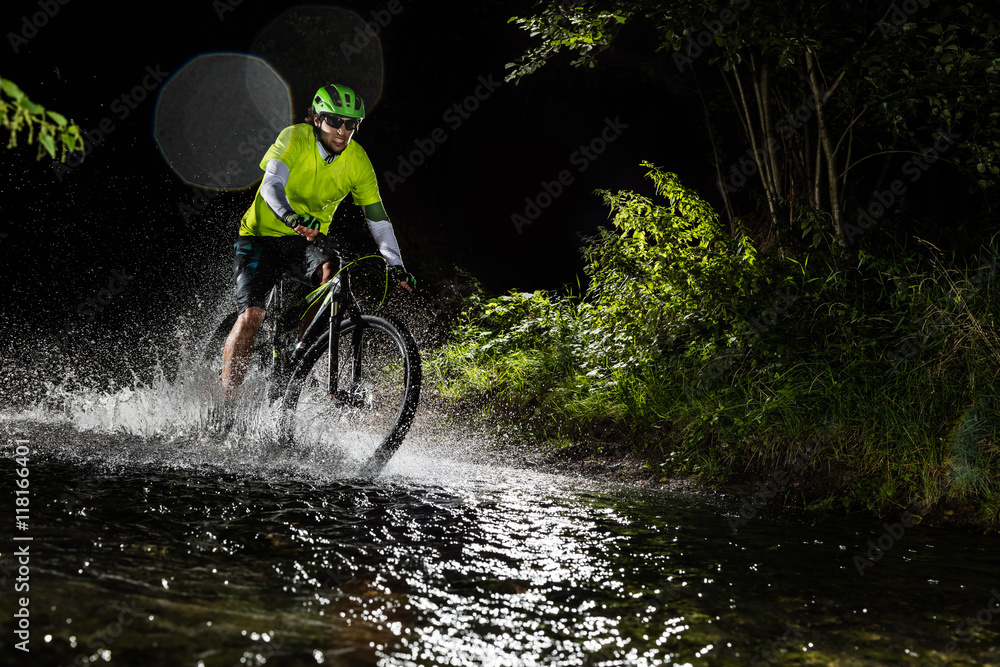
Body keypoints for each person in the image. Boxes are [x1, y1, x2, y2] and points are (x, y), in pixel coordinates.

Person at [221, 83, 414, 399]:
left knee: (332, 270)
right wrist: (290, 217)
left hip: (305, 240)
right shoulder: (295, 138)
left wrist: (396, 264)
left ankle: (300, 354)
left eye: (350, 124)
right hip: (261, 237)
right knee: (253, 316)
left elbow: (378, 218)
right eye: (334, 121)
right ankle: (226, 402)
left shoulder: (357, 160)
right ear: (316, 119)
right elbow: (271, 185)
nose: (342, 130)